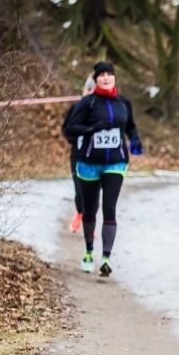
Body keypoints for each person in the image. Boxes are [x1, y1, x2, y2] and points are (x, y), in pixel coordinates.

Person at [65, 61, 143, 277]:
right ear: (96, 79)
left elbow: (131, 125)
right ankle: (89, 251)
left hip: (116, 162)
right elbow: (71, 127)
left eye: (109, 74)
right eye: (102, 75)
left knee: (109, 207)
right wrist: (92, 129)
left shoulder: (123, 103)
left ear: (114, 78)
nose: (106, 78)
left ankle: (106, 258)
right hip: (89, 163)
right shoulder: (88, 102)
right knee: (90, 210)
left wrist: (135, 139)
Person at [61, 76, 96, 233]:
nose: (89, 91)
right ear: (83, 90)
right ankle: (80, 213)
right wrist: (72, 138)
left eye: (92, 88)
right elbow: (65, 128)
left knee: (93, 192)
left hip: (96, 156)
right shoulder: (75, 107)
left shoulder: (101, 109)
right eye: (87, 88)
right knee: (79, 188)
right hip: (77, 154)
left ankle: (91, 221)